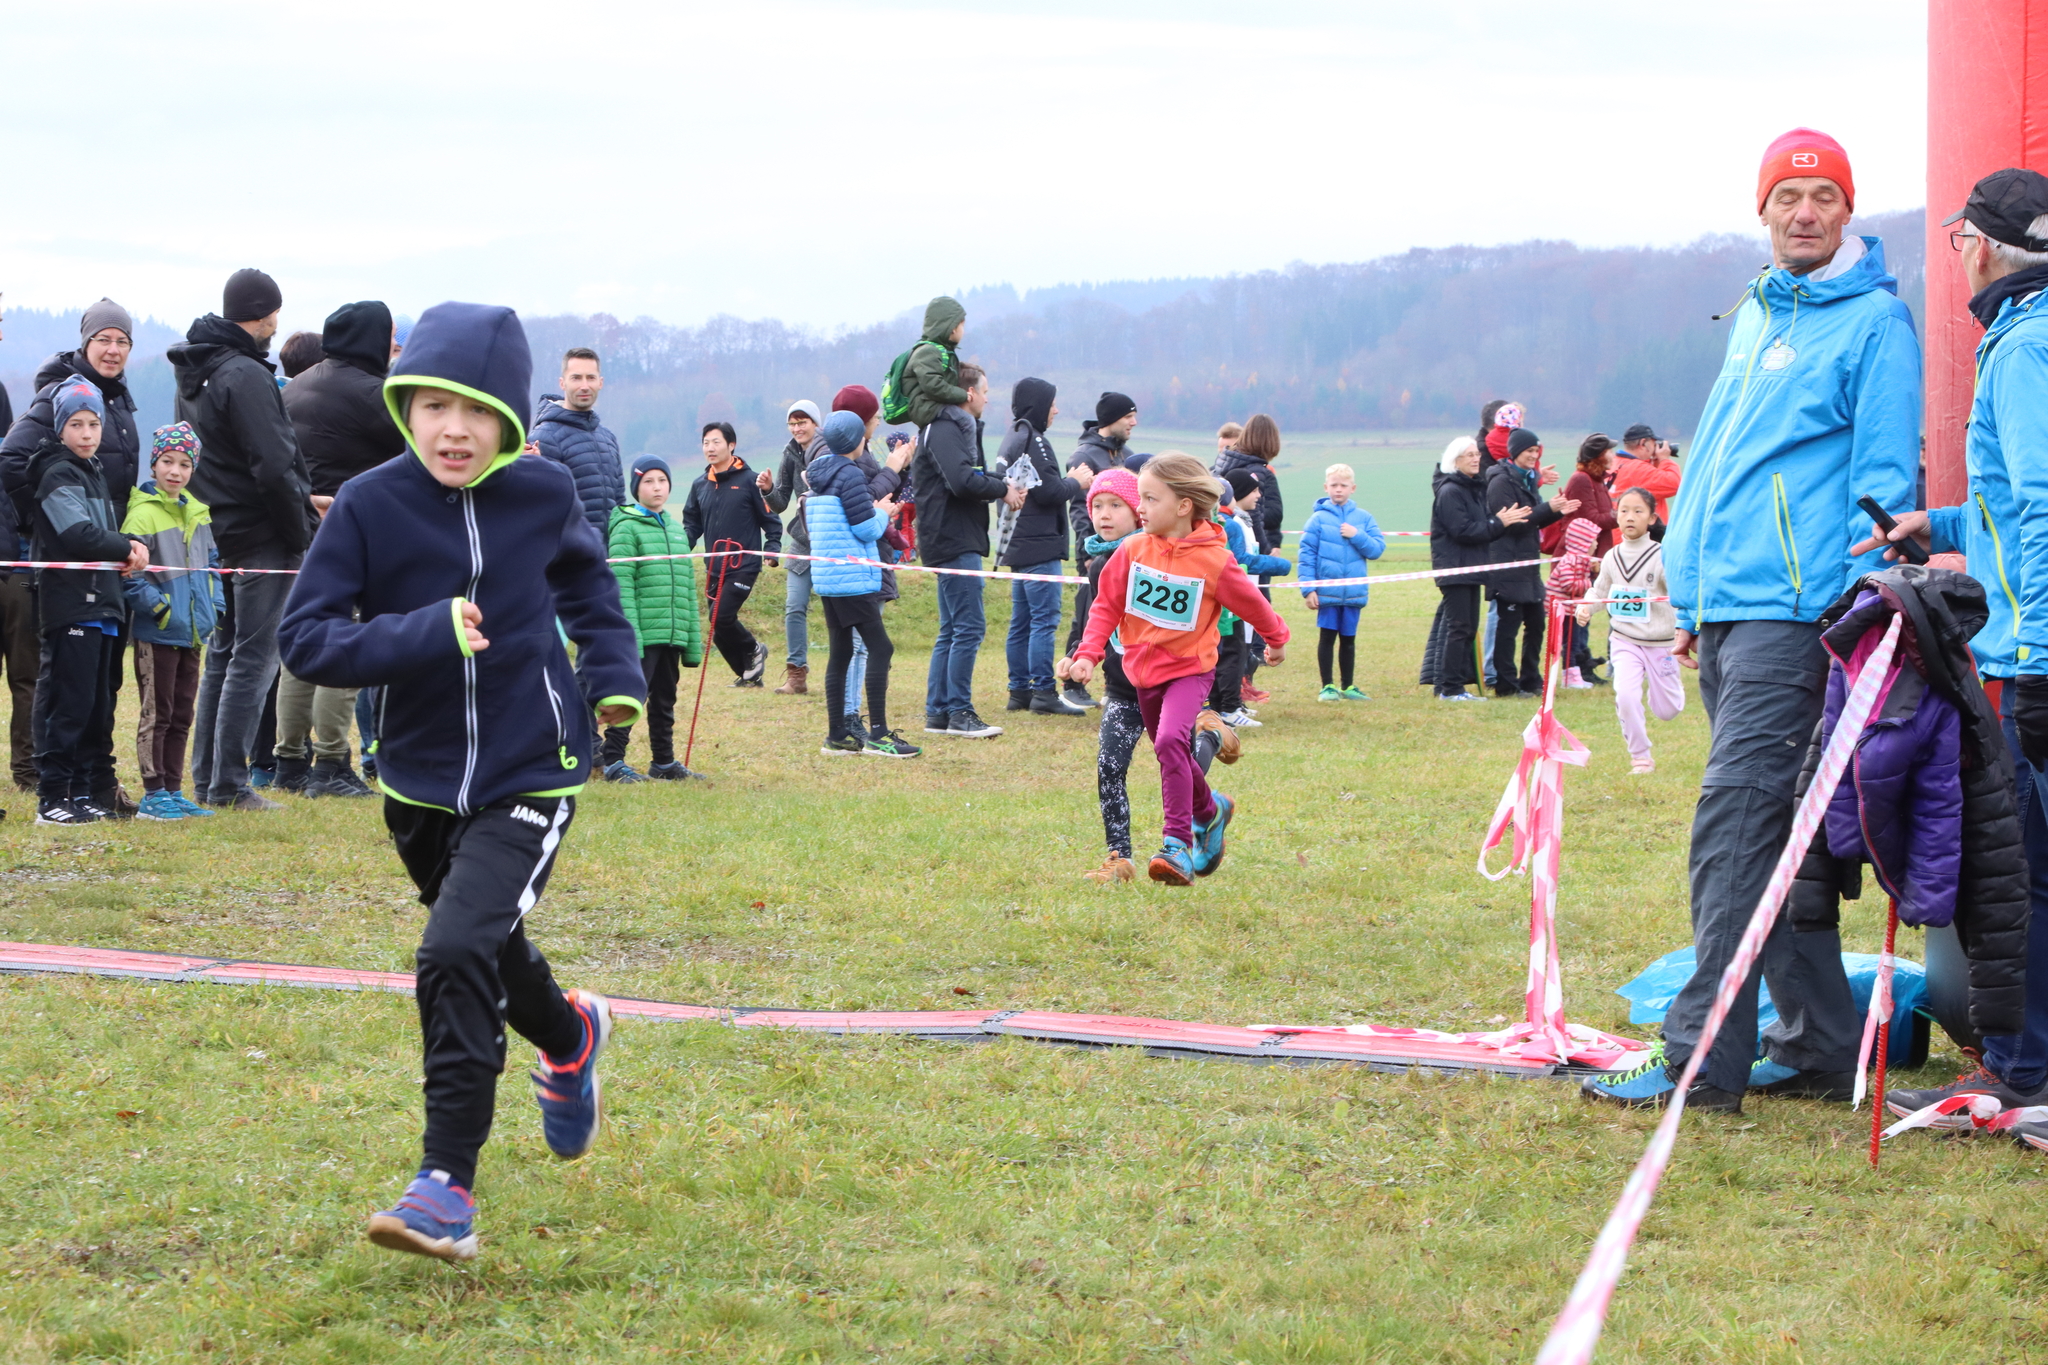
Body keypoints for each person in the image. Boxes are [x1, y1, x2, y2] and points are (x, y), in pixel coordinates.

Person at [276, 301, 645, 1265]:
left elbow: (588, 587)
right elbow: (305, 638)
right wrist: (420, 632)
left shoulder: (544, 491)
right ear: (404, 405)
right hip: (419, 781)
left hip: (533, 764)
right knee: (487, 944)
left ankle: (445, 1185)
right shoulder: (369, 505)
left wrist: (613, 676)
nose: (454, 429)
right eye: (435, 405)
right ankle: (570, 1035)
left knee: (451, 951)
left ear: (510, 422)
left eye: (478, 411)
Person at [1587, 128, 1920, 1114]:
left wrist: (1856, 613)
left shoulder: (1873, 324)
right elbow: (1722, 466)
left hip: (1796, 615)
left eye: (1824, 197)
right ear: (1762, 209)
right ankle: (1818, 1040)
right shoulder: (1757, 312)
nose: (1804, 213)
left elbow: (1880, 487)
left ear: (1848, 211)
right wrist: (1690, 595)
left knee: (1733, 828)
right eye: (1787, 197)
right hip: (1726, 613)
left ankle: (1699, 1058)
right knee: (1782, 841)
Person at [1866, 166, 2048, 1121]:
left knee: (2022, 878)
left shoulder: (2024, 348)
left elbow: (2046, 510)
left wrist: (2043, 656)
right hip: (2027, 657)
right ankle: (2025, 1067)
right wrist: (1933, 527)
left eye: (1960, 237)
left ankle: (2024, 1068)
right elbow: (2010, 506)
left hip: (2036, 662)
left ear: (1980, 247)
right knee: (2025, 878)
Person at [1069, 452, 1291, 885]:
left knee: (1171, 740)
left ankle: (1176, 845)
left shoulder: (1214, 560)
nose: (1141, 508)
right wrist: (1088, 653)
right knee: (1172, 751)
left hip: (1190, 671)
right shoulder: (1132, 550)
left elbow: (1253, 604)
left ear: (1184, 506)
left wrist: (1277, 639)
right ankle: (1211, 810)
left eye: (1150, 499)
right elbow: (1106, 605)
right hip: (1141, 673)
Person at [171, 268, 316, 813]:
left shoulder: (197, 370)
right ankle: (230, 785)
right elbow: (274, 464)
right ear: (264, 314)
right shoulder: (245, 375)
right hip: (260, 536)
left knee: (223, 656)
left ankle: (209, 780)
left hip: (217, 533)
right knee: (254, 660)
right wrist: (299, 531)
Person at [1, 299, 146, 807]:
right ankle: (55, 786)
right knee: (64, 683)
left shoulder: (119, 400)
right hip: (73, 564)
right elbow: (12, 460)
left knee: (102, 686)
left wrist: (119, 540)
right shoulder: (60, 396)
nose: (113, 349)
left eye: (122, 341)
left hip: (108, 559)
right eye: (103, 339)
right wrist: (49, 520)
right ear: (85, 343)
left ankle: (95, 787)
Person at [279, 299, 404, 799]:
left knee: (303, 643)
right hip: (354, 529)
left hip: (302, 528)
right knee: (348, 642)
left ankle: (290, 760)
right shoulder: (374, 394)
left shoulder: (298, 385)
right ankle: (331, 763)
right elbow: (419, 451)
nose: (394, 347)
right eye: (390, 337)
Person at [26, 377, 149, 825]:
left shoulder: (91, 470)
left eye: (93, 424)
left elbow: (102, 533)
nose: (86, 433)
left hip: (103, 606)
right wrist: (127, 546)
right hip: (72, 605)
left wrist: (126, 542)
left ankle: (79, 793)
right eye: (76, 424)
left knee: (96, 708)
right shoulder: (57, 472)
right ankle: (52, 798)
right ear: (60, 428)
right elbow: (77, 534)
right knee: (70, 705)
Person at [121, 423, 223, 820]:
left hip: (193, 632)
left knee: (182, 714)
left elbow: (212, 566)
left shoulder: (198, 514)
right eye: (167, 461)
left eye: (184, 464)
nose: (175, 471)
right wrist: (160, 609)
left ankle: (174, 789)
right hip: (159, 632)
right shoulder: (142, 513)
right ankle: (153, 793)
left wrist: (215, 607)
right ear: (154, 464)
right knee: (157, 714)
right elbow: (129, 574)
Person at [805, 410, 918, 758]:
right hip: (852, 578)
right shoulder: (850, 473)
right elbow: (865, 528)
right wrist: (883, 511)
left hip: (828, 578)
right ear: (858, 441)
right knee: (881, 649)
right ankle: (879, 735)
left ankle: (837, 735)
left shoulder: (818, 474)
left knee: (840, 653)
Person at [914, 363, 1018, 738]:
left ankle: (939, 713)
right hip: (953, 539)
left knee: (952, 628)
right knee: (969, 627)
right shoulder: (945, 428)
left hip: (951, 537)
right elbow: (960, 481)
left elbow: (970, 474)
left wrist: (1002, 482)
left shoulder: (953, 427)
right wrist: (1002, 490)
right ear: (969, 392)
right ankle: (959, 712)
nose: (988, 399)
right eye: (985, 391)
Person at [600, 455, 704, 782]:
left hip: (672, 631)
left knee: (664, 700)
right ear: (636, 488)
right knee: (632, 696)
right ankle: (612, 760)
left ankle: (663, 762)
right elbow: (622, 585)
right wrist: (630, 634)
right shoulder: (626, 528)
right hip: (642, 633)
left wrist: (690, 636)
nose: (657, 487)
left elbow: (686, 587)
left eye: (662, 480)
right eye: (648, 481)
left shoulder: (676, 530)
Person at [997, 377, 1094, 715]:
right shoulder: (1034, 440)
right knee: (1043, 621)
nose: (1056, 410)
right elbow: (1050, 491)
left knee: (1021, 621)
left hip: (1018, 542)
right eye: (1052, 403)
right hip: (1039, 544)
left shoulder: (1013, 435)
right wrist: (1076, 481)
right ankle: (1043, 691)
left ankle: (1019, 690)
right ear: (1038, 405)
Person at [1577, 486, 1682, 772]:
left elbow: (1679, 595)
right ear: (1617, 516)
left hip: (1661, 642)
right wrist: (1586, 607)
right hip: (1624, 640)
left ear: (1651, 518)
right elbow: (1600, 592)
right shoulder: (1611, 557)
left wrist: (1685, 625)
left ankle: (1661, 691)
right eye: (1624, 511)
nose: (1630, 517)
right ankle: (1640, 757)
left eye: (1638, 511)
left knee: (1668, 710)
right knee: (1625, 695)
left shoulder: (1663, 556)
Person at [1481, 430, 1578, 698]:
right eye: (1529, 451)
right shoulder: (1500, 482)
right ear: (1515, 452)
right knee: (1508, 628)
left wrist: (1556, 511)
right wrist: (1548, 508)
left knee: (1536, 624)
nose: (1534, 456)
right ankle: (1505, 684)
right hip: (1508, 563)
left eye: (1537, 451)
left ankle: (1531, 680)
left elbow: (1533, 520)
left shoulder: (1529, 478)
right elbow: (1512, 523)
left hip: (1528, 563)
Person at [1059, 392, 1140, 709]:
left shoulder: (1124, 454)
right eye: (1128, 416)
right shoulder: (1085, 456)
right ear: (1112, 419)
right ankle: (1074, 680)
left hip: (1125, 547)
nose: (1134, 422)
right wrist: (1088, 552)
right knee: (1088, 613)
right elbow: (1081, 509)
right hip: (1095, 552)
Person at [1430, 437, 1528, 700]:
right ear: (1455, 460)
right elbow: (1462, 530)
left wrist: (1500, 523)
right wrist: (1498, 523)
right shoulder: (1450, 491)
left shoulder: (1473, 488)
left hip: (1471, 568)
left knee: (1467, 628)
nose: (1476, 459)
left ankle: (1451, 686)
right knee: (1459, 628)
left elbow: (1480, 528)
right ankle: (1450, 689)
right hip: (1455, 569)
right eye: (1469, 455)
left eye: (1477, 454)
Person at [682, 421, 777, 685]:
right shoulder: (699, 484)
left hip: (743, 564)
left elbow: (771, 520)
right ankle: (748, 675)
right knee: (717, 628)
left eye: (716, 442)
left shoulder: (750, 481)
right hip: (714, 566)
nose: (710, 448)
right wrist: (680, 548)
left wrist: (772, 548)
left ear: (731, 445)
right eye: (706, 443)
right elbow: (692, 524)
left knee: (719, 617)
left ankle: (754, 649)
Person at [1298, 463, 1387, 701]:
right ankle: (1327, 686)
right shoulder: (1317, 520)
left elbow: (1377, 549)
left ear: (1353, 488)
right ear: (1325, 487)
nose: (1338, 489)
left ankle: (1348, 686)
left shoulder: (1364, 519)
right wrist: (1309, 589)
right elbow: (1306, 556)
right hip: (1327, 593)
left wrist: (1357, 535)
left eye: (1344, 485)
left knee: (1349, 640)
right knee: (1327, 638)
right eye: (1334, 485)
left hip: (1353, 593)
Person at [1210, 470, 1290, 723]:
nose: (1258, 495)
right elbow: (1238, 561)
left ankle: (1223, 707)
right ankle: (1229, 708)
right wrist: (1280, 565)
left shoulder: (1232, 522)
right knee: (1232, 654)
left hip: (1226, 601)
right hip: (1230, 604)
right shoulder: (1230, 525)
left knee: (1229, 654)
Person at [530, 348, 625, 536]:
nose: (584, 386)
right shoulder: (544, 438)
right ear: (562, 383)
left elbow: (620, 502)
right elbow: (539, 509)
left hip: (609, 552)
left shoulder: (608, 439)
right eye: (576, 378)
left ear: (600, 382)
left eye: (590, 378)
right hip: (569, 551)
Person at [762, 399, 821, 695]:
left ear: (816, 423)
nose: (797, 428)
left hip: (830, 541)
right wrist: (768, 489)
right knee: (794, 606)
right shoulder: (789, 453)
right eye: (792, 423)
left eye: (802, 422)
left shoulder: (830, 450)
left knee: (840, 610)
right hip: (800, 542)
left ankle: (848, 669)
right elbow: (781, 502)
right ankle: (797, 674)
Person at [902, 297, 969, 428]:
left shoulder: (941, 351)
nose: (964, 331)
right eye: (962, 326)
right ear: (953, 328)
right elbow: (934, 386)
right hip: (927, 408)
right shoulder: (927, 352)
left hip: (933, 405)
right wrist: (963, 395)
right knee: (967, 421)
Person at [1610, 423, 1682, 527]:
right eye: (1653, 444)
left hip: (1618, 530)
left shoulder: (1613, 463)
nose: (1655, 448)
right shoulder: (1637, 469)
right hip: (1642, 533)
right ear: (1643, 443)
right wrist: (1664, 460)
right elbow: (1674, 483)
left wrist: (1655, 463)